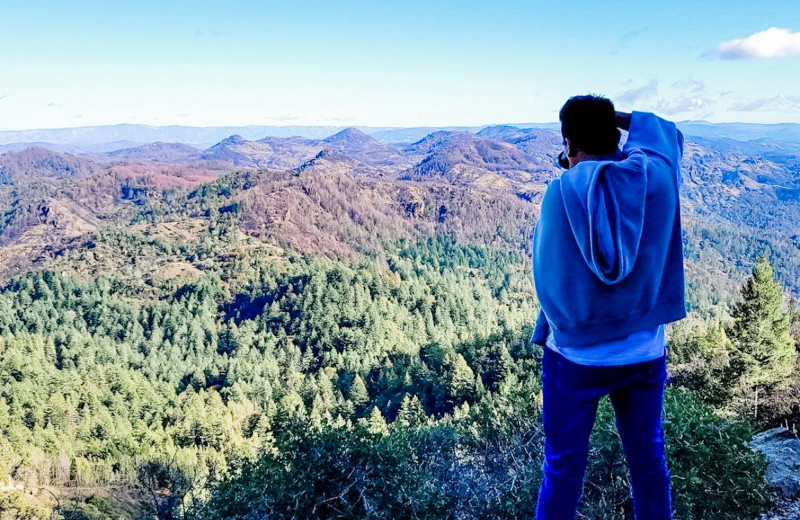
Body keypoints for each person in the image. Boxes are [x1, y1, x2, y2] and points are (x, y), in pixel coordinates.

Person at [529, 94, 686, 520]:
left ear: (567, 141)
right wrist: (615, 118)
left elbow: (546, 280)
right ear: (615, 134)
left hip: (576, 358)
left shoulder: (559, 194)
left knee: (562, 472)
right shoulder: (655, 179)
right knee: (649, 465)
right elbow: (667, 134)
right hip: (644, 352)